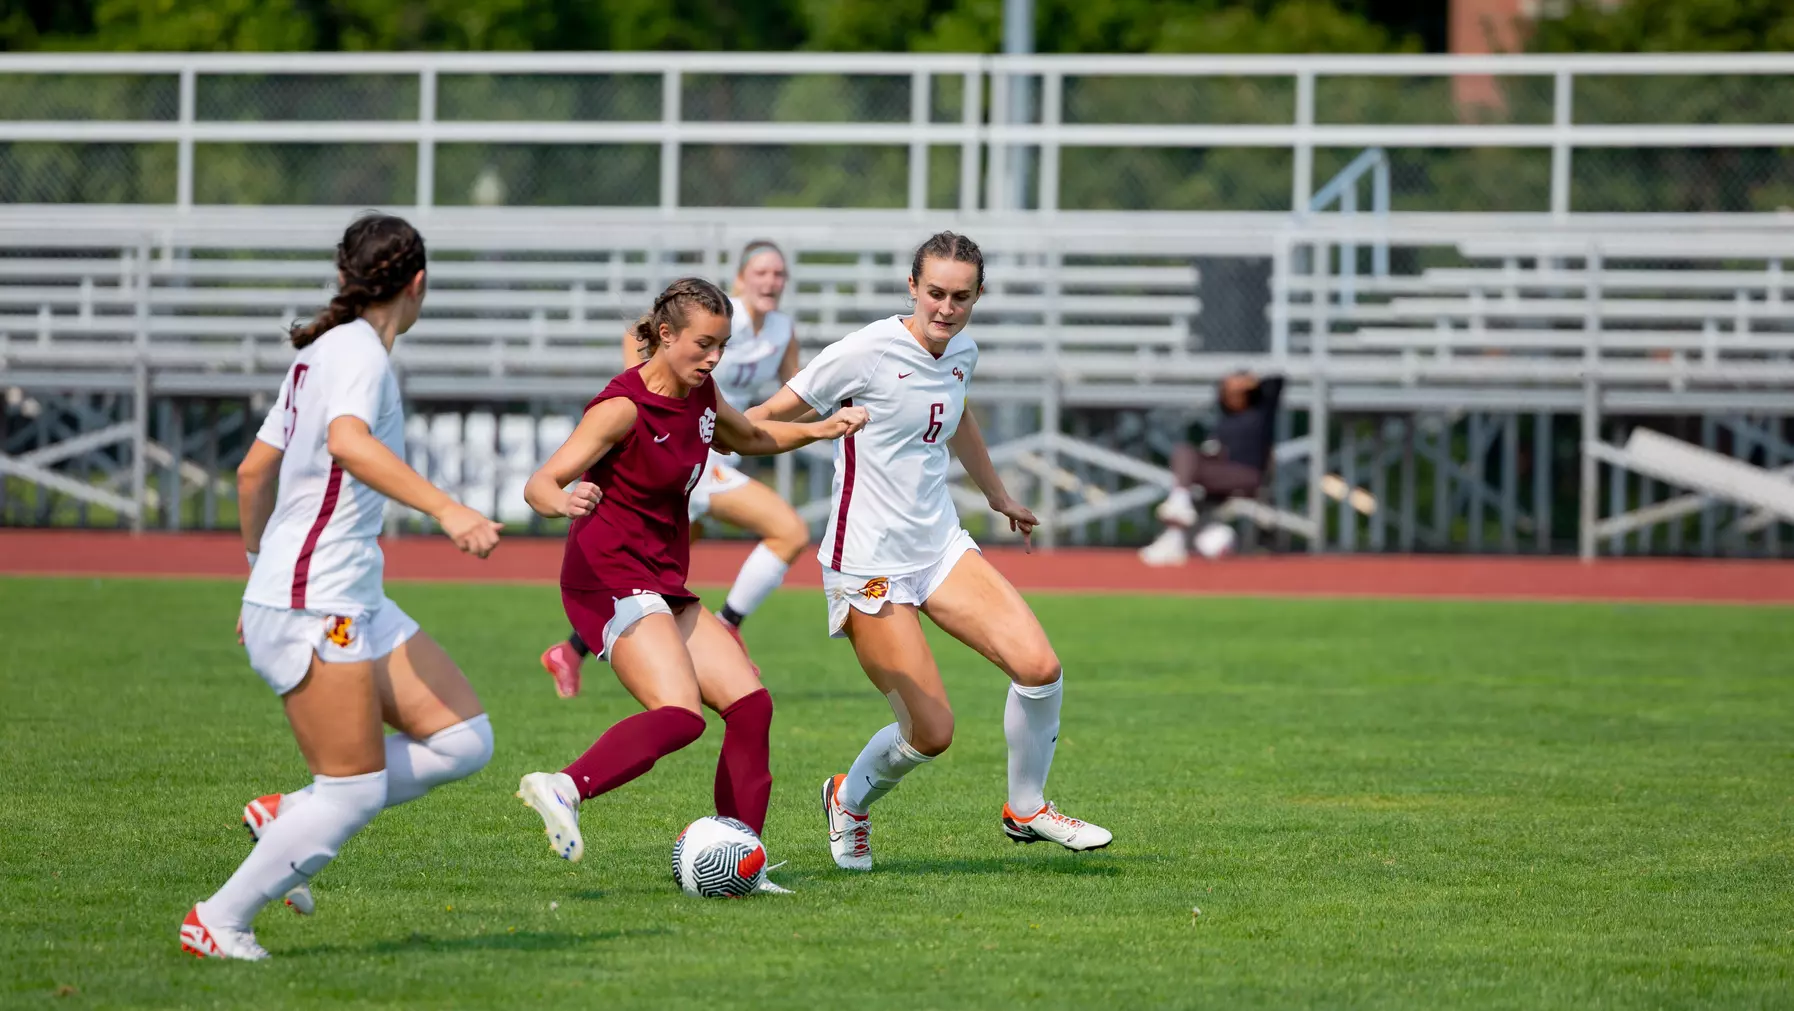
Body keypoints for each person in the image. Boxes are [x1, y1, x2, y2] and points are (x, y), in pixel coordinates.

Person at [183, 215, 504, 961]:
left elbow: (250, 473)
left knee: (462, 739)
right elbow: (348, 443)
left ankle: (288, 813)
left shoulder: (324, 351)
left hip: (334, 591)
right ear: (418, 283)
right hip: (315, 596)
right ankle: (219, 919)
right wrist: (448, 508)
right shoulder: (357, 351)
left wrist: (260, 566)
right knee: (353, 789)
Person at [747, 231, 1113, 872]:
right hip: (868, 564)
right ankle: (848, 800)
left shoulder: (961, 348)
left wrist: (997, 494)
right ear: (912, 287)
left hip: (940, 546)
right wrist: (815, 428)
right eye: (936, 293)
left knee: (1040, 668)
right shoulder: (862, 353)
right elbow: (759, 419)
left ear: (977, 298)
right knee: (932, 734)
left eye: (961, 297)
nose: (946, 308)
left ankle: (1026, 808)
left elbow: (957, 411)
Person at [514, 277, 865, 892]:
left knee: (751, 707)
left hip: (661, 580)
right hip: (607, 578)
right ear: (666, 335)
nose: (714, 358)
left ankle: (742, 860)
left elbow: (750, 436)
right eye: (703, 344)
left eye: (722, 346)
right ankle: (563, 787)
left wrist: (819, 428)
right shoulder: (622, 407)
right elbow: (540, 482)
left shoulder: (702, 395)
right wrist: (562, 501)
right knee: (679, 715)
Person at [539, 240, 808, 697]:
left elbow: (793, 394)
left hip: (710, 447)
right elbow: (640, 335)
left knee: (659, 573)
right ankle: (730, 625)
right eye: (761, 273)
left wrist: (825, 419)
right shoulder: (724, 314)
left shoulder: (782, 329)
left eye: (779, 274)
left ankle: (569, 651)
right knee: (790, 530)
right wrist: (649, 402)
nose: (771, 282)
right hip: (688, 449)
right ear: (740, 278)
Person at [1138, 371, 1284, 566]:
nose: (1232, 397)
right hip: (1219, 476)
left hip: (1246, 475)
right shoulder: (1225, 419)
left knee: (1185, 485)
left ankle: (1177, 514)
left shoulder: (1261, 412)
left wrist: (1245, 381)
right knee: (1184, 454)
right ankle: (1174, 534)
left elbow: (1277, 382)